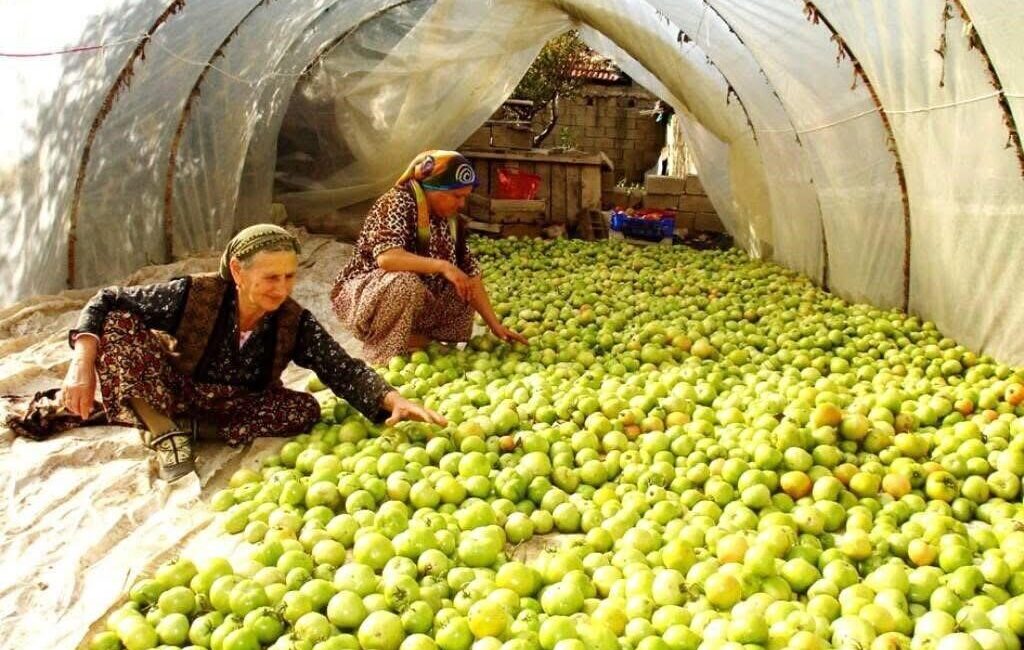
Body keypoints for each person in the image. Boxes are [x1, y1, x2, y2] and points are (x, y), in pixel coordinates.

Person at [60, 224, 444, 481]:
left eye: (290, 277)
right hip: (174, 386)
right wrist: (81, 365)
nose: (281, 289)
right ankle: (163, 431)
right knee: (117, 323)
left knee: (305, 410)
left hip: (235, 404)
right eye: (270, 278)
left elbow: (339, 366)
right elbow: (107, 299)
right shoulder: (194, 294)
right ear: (238, 272)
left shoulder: (293, 320)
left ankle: (191, 429)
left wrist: (391, 399)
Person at [331, 150, 526, 366]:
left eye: (465, 197)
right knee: (404, 283)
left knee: (462, 283)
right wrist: (442, 266)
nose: (461, 204)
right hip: (367, 296)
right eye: (456, 196)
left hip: (417, 295)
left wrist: (495, 325)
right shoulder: (396, 202)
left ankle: (417, 338)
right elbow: (387, 258)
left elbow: (471, 273)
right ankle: (384, 350)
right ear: (433, 188)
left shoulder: (450, 220)